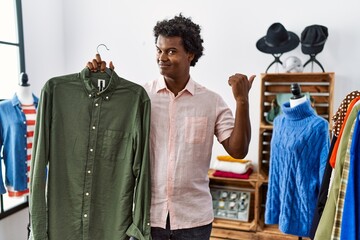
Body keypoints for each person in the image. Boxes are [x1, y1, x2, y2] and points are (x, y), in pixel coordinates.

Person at [88, 13, 255, 240]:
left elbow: (238, 150)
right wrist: (101, 84)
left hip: (194, 221)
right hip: (147, 217)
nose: (162, 57)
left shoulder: (211, 101)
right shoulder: (141, 97)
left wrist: (242, 100)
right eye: (159, 49)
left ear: (191, 54)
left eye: (171, 51)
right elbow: (108, 132)